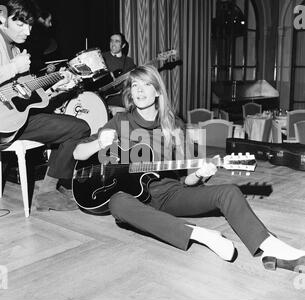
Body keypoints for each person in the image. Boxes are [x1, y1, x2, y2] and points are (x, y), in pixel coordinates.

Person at [74, 66, 305, 273]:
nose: (140, 91)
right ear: (130, 92)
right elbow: (78, 154)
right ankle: (202, 235)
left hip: (170, 194)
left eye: (147, 85)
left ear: (157, 92)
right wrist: (99, 143)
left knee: (229, 192)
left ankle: (269, 246)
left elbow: (187, 181)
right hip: (132, 199)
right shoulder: (120, 121)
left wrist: (200, 173)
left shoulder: (174, 126)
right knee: (117, 203)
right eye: (135, 85)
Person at [0, 0, 91, 211]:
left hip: (12, 121)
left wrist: (58, 87)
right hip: (5, 126)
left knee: (77, 125)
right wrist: (15, 67)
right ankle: (48, 191)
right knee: (80, 128)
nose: (28, 32)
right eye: (21, 24)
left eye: (30, 25)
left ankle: (51, 189)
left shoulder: (13, 49)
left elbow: (24, 96)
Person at [101, 32, 136, 116]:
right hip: (101, 95)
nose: (113, 43)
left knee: (131, 102)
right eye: (111, 41)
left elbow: (132, 81)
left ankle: (124, 128)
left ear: (123, 45)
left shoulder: (128, 61)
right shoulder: (102, 57)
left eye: (117, 41)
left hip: (119, 96)